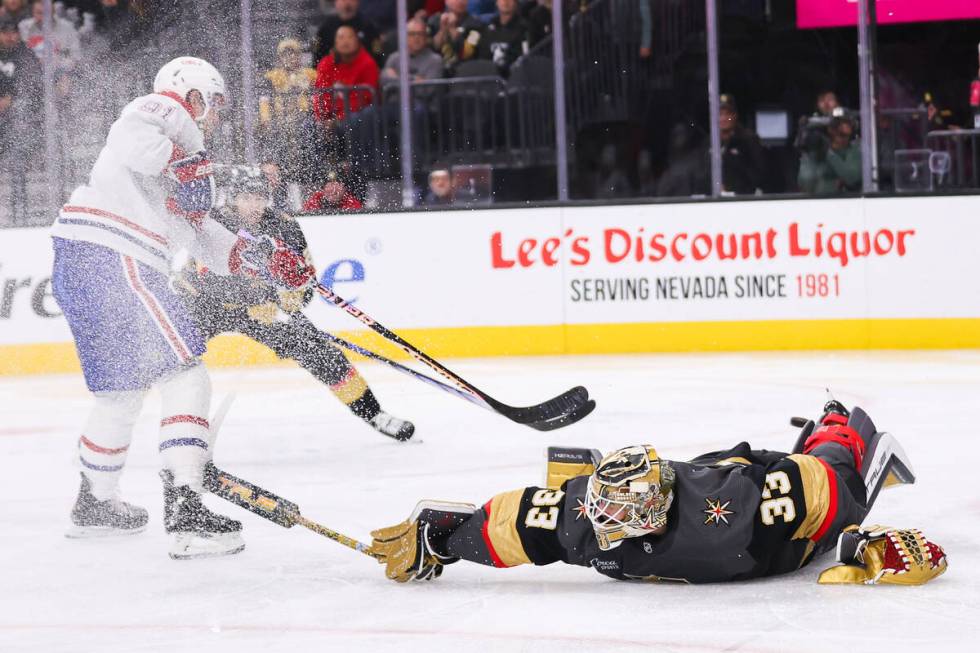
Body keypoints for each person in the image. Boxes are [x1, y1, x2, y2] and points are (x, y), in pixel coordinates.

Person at [49, 57, 314, 560]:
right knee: (185, 373)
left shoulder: (186, 153)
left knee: (122, 391)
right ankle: (185, 508)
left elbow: (203, 237)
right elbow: (134, 141)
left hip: (84, 257)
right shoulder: (164, 110)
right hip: (116, 254)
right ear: (191, 92)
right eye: (212, 102)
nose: (213, 115)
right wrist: (188, 159)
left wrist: (265, 259)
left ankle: (95, 504)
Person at [370, 400, 947, 586]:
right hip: (701, 477)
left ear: (646, 511)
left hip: (770, 529)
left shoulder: (746, 512)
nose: (598, 519)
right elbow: (518, 522)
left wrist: (858, 544)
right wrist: (445, 539)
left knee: (840, 468)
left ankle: (837, 422)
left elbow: (820, 495)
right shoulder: (587, 519)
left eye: (614, 510)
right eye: (601, 505)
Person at [177, 168, 414, 441]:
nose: (254, 205)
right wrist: (250, 301)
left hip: (267, 311)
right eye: (246, 197)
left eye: (259, 198)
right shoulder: (214, 223)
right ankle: (140, 414)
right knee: (171, 356)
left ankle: (375, 414)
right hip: (204, 304)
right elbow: (209, 279)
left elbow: (306, 278)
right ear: (233, 198)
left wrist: (295, 296)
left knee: (323, 355)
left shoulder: (285, 226)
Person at [258, 38, 318, 184]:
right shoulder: (272, 76)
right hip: (280, 118)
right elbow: (264, 100)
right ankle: (280, 172)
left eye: (294, 53)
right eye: (286, 54)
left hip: (305, 117)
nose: (290, 57)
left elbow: (318, 96)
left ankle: (308, 172)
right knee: (276, 133)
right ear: (280, 57)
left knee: (308, 131)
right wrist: (265, 119)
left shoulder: (310, 74)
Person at [0, 14, 40, 223]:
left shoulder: (25, 54)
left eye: (13, 32)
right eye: (5, 33)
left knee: (18, 154)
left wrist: (11, 97)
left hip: (19, 118)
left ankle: (21, 207)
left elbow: (31, 83)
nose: (10, 37)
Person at [313, 25, 380, 124]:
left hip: (358, 118)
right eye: (341, 37)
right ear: (335, 42)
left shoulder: (368, 63)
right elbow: (321, 95)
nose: (345, 41)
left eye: (350, 37)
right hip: (329, 118)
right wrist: (324, 120)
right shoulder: (326, 63)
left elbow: (366, 98)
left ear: (357, 41)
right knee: (308, 124)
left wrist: (339, 118)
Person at [797, 115, 862, 195]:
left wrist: (829, 154)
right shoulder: (816, 151)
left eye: (842, 134)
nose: (837, 137)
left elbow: (852, 178)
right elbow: (805, 183)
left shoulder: (854, 150)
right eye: (834, 130)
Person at [718, 94, 766, 195]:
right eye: (720, 114)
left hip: (743, 199)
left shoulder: (749, 140)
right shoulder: (710, 142)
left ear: (735, 116)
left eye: (727, 114)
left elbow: (759, 174)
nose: (723, 118)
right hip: (713, 199)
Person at [312, 0, 382, 67]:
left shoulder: (368, 26)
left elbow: (377, 51)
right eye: (343, 0)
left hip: (361, 70)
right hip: (332, 69)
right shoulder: (326, 26)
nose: (347, 3)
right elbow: (317, 49)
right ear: (336, 2)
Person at [428, 0, 484, 71]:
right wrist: (442, 30)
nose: (460, 1)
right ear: (446, 1)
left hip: (464, 69)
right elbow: (431, 50)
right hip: (436, 69)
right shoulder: (434, 21)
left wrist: (452, 28)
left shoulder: (476, 24)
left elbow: (466, 54)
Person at [475, 0, 527, 76]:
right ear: (496, 2)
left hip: (514, 77)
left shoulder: (524, 28)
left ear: (516, 3)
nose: (506, 2)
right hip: (488, 76)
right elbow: (482, 54)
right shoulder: (487, 27)